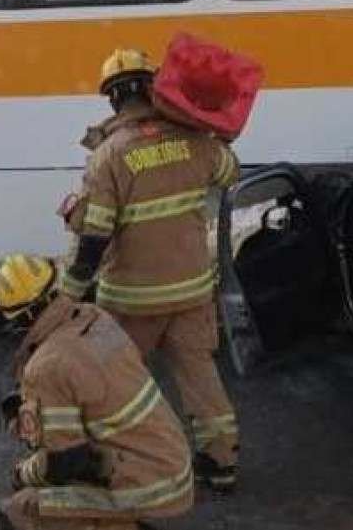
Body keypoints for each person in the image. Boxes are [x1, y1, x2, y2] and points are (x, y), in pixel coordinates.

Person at [58, 49, 242, 494]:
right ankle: (220, 463)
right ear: (154, 87)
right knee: (199, 376)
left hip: (132, 300)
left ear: (112, 101)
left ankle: (122, 462)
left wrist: (70, 293)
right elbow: (229, 172)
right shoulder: (196, 139)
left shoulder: (109, 156)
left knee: (116, 382)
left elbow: (94, 236)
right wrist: (206, 126)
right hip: (192, 292)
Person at [0, 255, 190, 530]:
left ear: (25, 316)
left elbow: (67, 461)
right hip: (169, 457)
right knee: (57, 475)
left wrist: (23, 473)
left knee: (18, 512)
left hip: (147, 482)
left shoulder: (46, 367)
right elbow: (89, 386)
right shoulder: (94, 317)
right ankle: (108, 525)